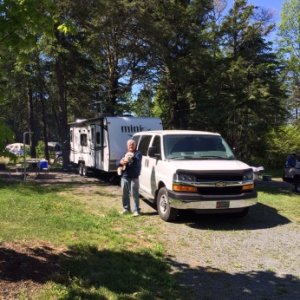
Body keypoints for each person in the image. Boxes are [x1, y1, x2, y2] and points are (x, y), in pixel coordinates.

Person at [119, 139, 142, 216]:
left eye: (132, 145)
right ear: (127, 146)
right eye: (129, 145)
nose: (131, 146)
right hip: (125, 176)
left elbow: (136, 161)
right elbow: (118, 162)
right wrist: (120, 162)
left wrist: (128, 159)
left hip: (134, 177)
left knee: (135, 194)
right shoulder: (125, 153)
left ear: (135, 146)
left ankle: (136, 211)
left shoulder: (138, 154)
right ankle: (126, 209)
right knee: (124, 194)